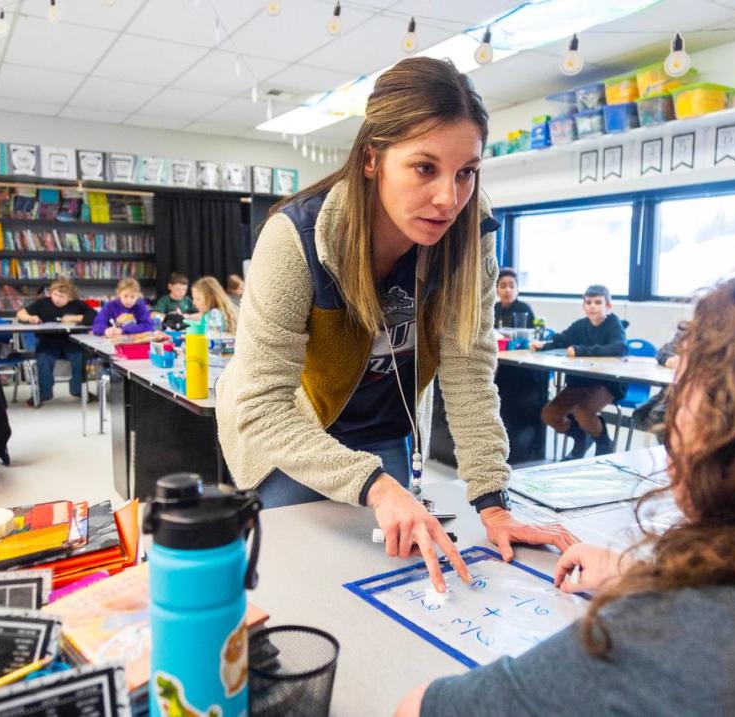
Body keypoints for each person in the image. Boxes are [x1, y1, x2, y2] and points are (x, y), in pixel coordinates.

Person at [397, 264, 735, 717]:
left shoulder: (670, 642)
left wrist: (662, 604)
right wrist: (645, 577)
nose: (667, 419)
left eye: (684, 394)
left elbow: (419, 708)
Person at [216, 57, 574, 593]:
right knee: (295, 585)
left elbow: (469, 373)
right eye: (425, 168)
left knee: (389, 580)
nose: (448, 198)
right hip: (295, 434)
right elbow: (261, 406)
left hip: (385, 430)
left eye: (466, 172)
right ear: (371, 159)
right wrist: (377, 487)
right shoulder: (296, 238)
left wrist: (493, 502)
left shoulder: (471, 234)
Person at [530, 284, 627, 458]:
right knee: (549, 415)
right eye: (588, 302)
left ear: (609, 306)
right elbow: (561, 340)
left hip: (605, 384)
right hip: (579, 382)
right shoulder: (579, 325)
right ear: (583, 306)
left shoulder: (614, 324)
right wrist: (542, 346)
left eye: (598, 302)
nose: (592, 306)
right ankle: (581, 437)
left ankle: (603, 441)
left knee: (583, 411)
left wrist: (581, 350)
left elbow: (619, 348)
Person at [493, 268, 547, 464]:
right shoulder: (494, 309)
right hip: (500, 362)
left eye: (512, 286)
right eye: (503, 286)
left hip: (521, 367)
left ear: (517, 289)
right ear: (497, 289)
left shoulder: (524, 309)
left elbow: (532, 338)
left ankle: (527, 447)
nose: (508, 290)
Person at [15, 278, 96, 406]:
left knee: (79, 357)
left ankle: (79, 391)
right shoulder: (42, 303)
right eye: (55, 294)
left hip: (72, 341)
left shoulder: (77, 304)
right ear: (51, 293)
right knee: (43, 359)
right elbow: (20, 313)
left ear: (70, 297)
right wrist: (30, 317)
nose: (57, 299)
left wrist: (74, 318)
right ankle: (43, 394)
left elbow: (94, 316)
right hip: (48, 341)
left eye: (62, 296)